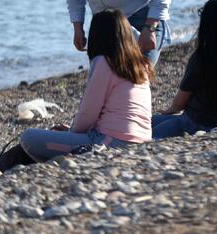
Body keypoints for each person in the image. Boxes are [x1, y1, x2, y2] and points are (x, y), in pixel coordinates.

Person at [20, 9, 153, 161]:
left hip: (110, 143)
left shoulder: (104, 62)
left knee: (28, 137)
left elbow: (88, 113)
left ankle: (59, 166)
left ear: (97, 36)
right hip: (142, 141)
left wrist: (72, 134)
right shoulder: (141, 65)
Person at [152, 0, 217, 138]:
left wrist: (170, 110)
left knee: (146, 131)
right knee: (152, 122)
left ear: (208, 25)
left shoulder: (203, 57)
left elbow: (179, 104)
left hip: (197, 122)